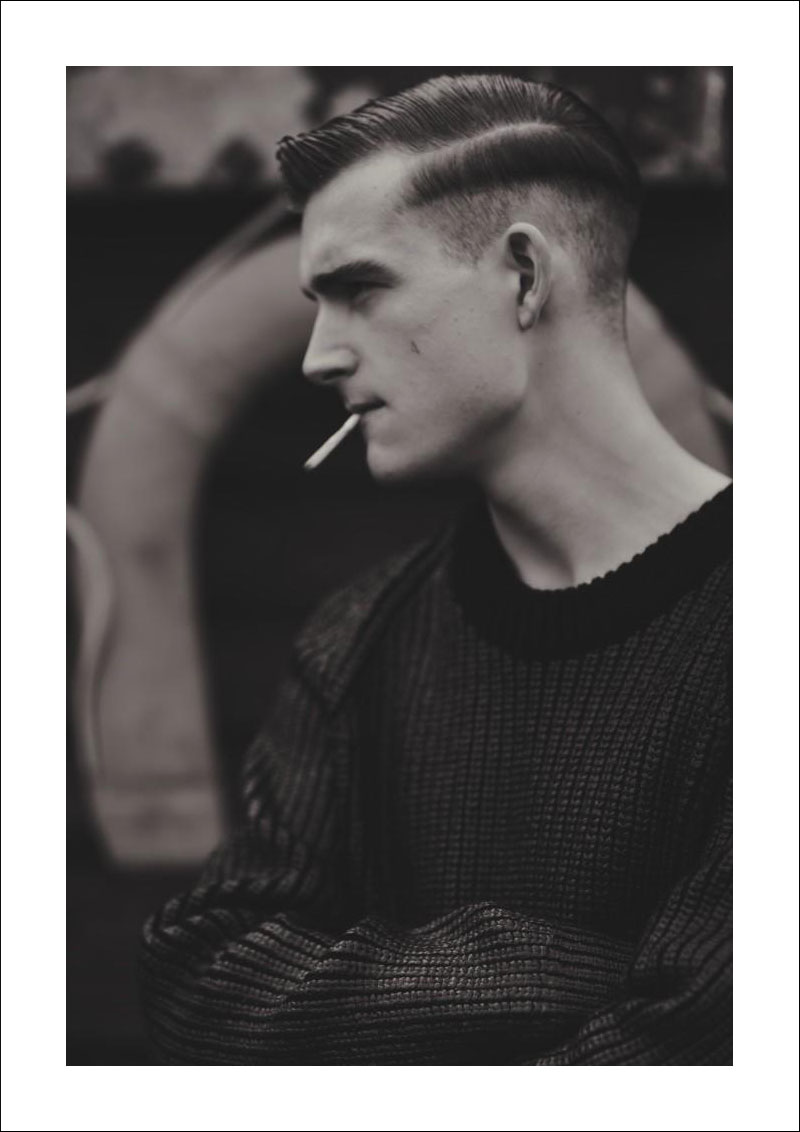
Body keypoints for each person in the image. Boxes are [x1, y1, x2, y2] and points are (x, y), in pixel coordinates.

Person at [139, 73, 732, 1065]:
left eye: (360, 290)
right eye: (317, 304)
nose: (318, 357)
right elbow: (200, 980)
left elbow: (694, 1055)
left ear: (524, 277)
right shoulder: (357, 640)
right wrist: (523, 970)